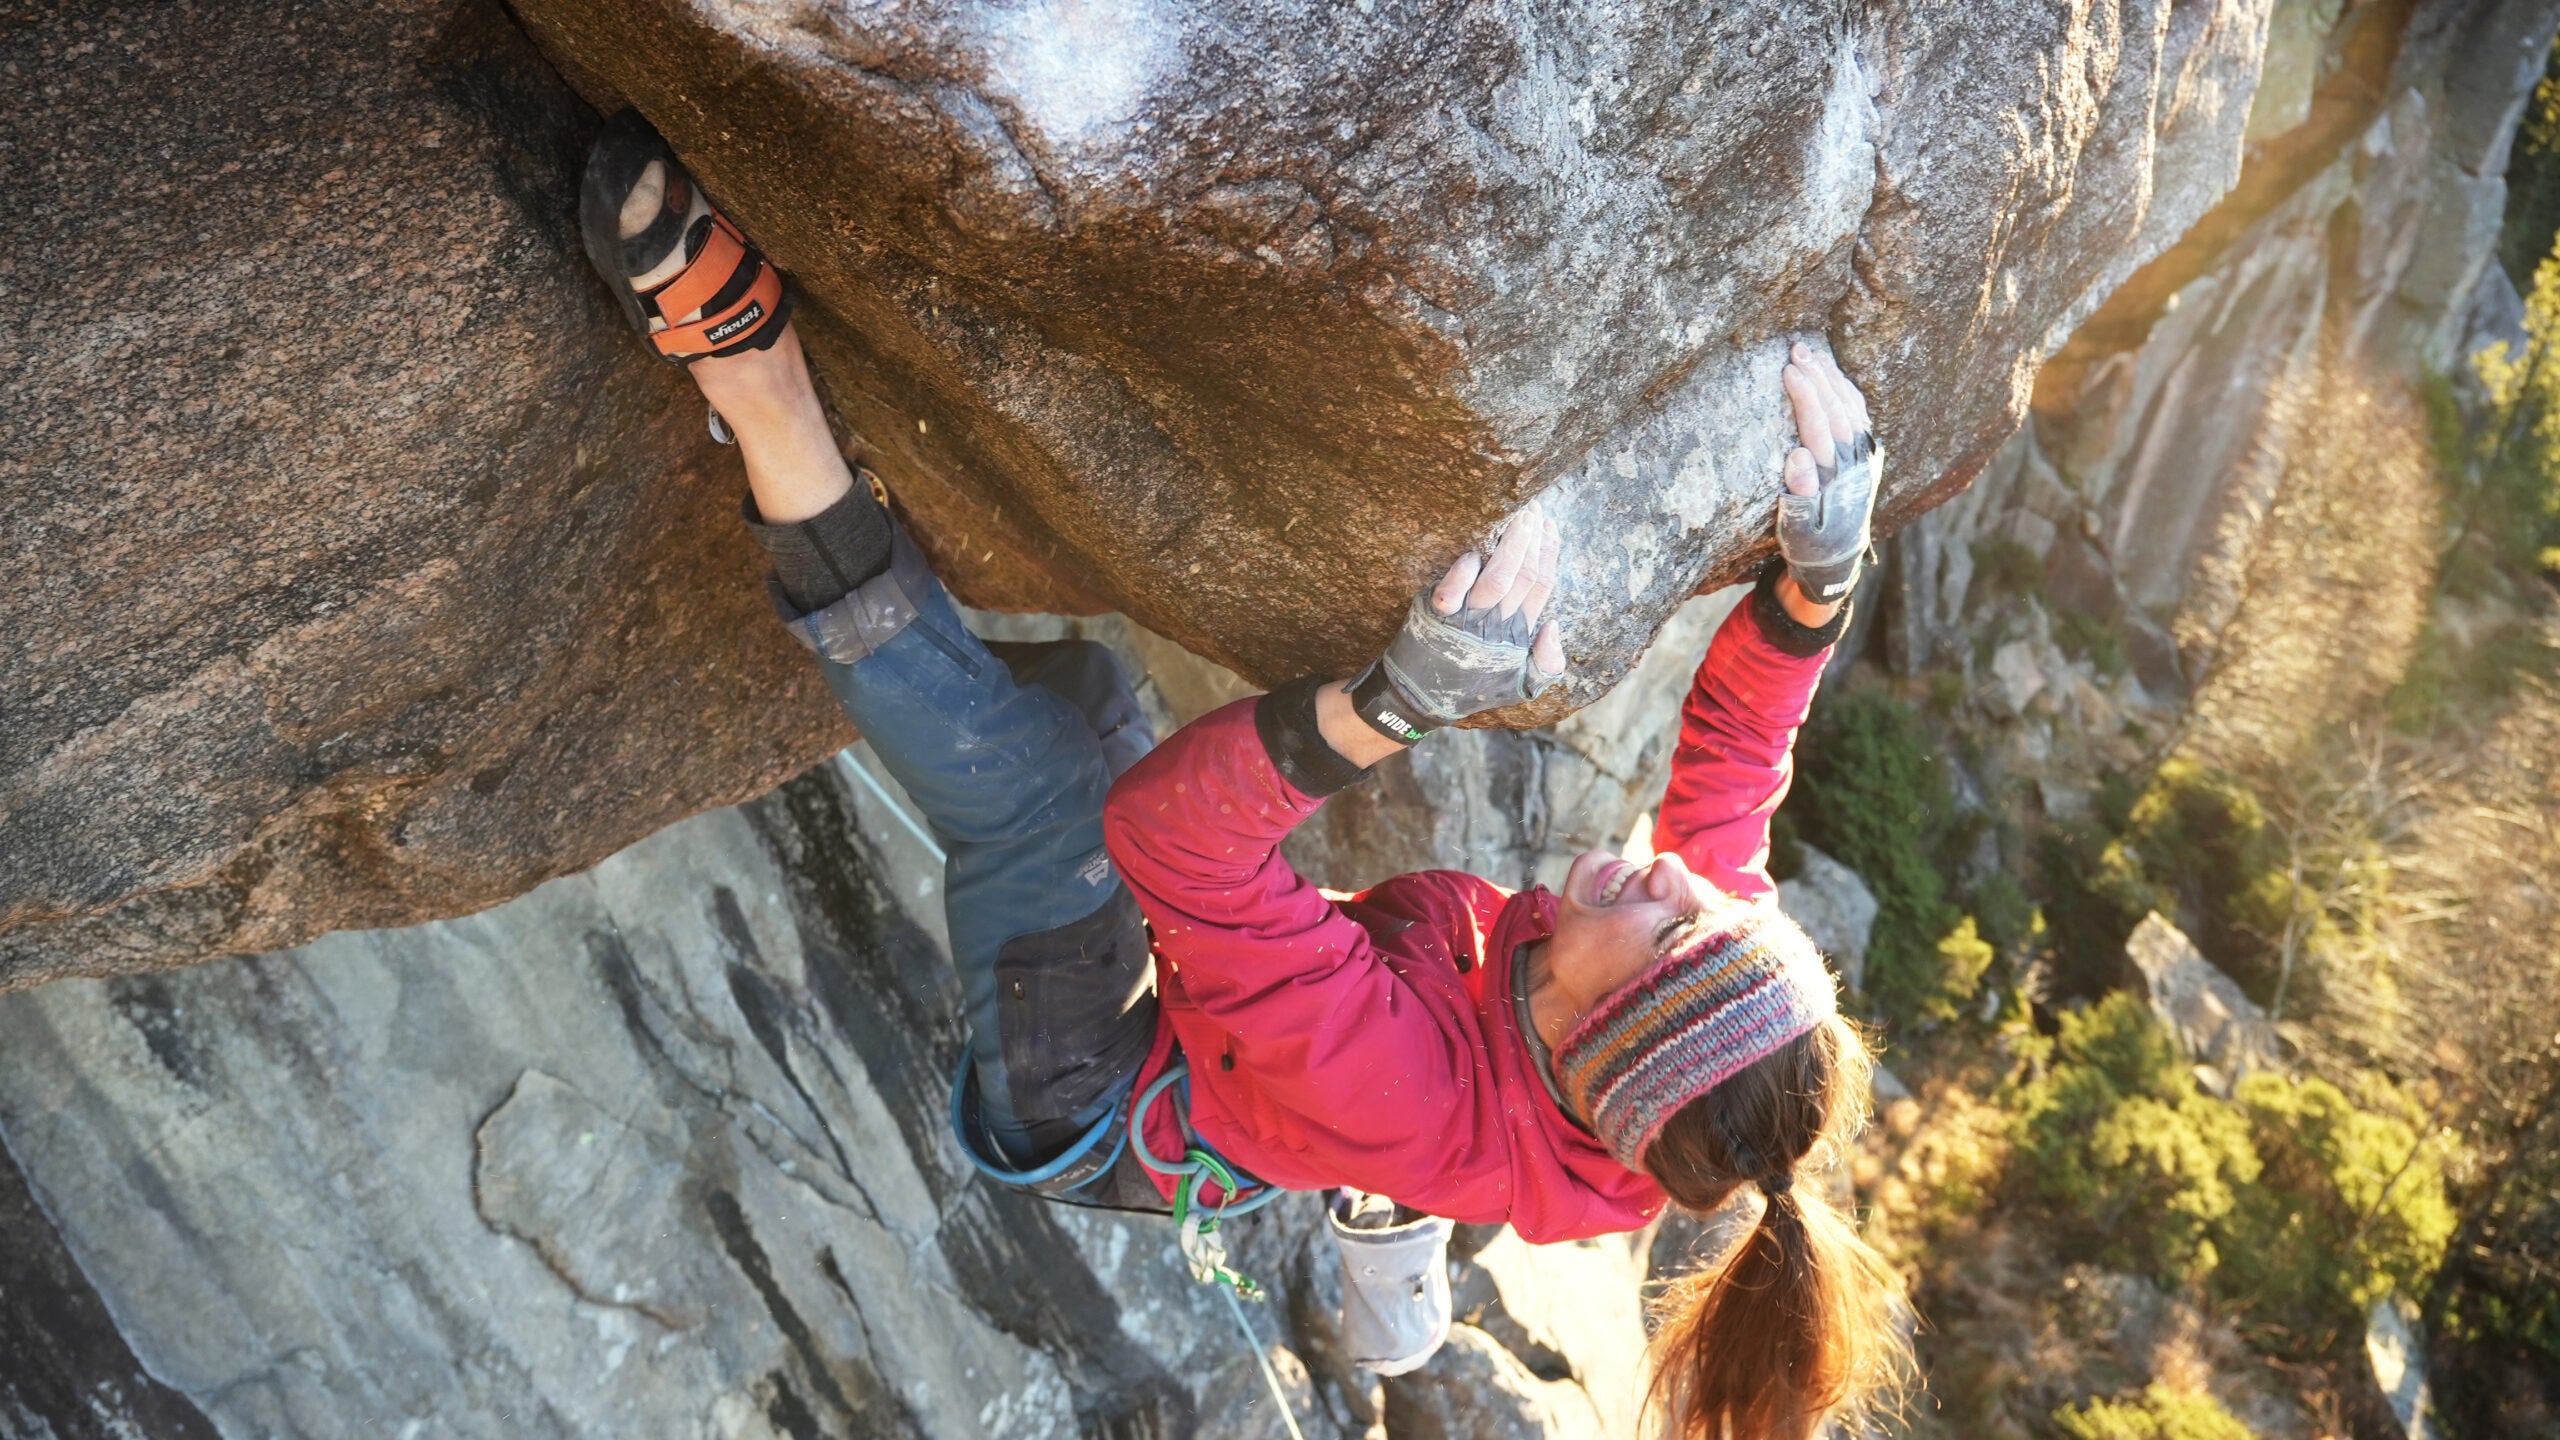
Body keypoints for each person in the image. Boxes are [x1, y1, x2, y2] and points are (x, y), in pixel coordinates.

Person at [579, 109, 1906, 1438]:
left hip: (1090, 1093)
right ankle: (871, 583)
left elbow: (1170, 843)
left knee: (1043, 790)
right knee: (1091, 699)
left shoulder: (1410, 1100)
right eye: (1718, 910)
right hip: (1227, 1068)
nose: (1679, 878)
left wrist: (1402, 703)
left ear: (1586, 1031)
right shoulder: (1702, 1021)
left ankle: (760, 393)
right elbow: (1735, 767)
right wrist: (1816, 582)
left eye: (1669, 931)